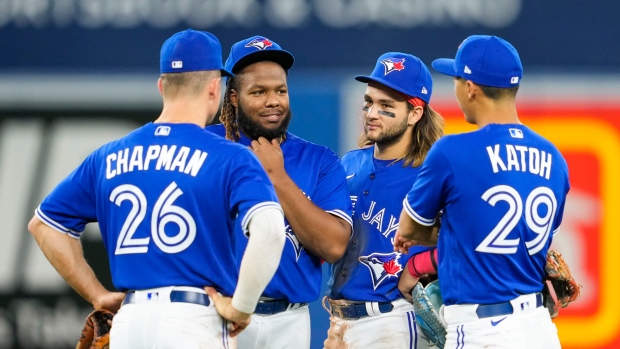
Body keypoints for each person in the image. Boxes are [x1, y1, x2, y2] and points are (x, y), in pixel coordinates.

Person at [27, 29, 286, 349]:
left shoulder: (109, 156)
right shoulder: (229, 156)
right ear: (214, 88)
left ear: (162, 86)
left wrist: (98, 295)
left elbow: (44, 226)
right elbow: (271, 231)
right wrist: (241, 307)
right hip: (192, 321)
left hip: (130, 322)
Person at [394, 35, 568, 349]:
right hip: (539, 330)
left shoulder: (452, 151)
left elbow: (408, 229)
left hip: (483, 330)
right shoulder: (554, 158)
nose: (456, 88)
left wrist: (438, 238)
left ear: (471, 87)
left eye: (457, 79)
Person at [207, 36, 353, 349]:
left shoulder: (318, 160)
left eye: (280, 91)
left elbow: (333, 245)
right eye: (258, 92)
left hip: (289, 322)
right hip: (217, 316)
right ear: (233, 97)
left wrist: (277, 177)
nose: (273, 101)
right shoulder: (207, 148)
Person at [323, 52, 444, 349]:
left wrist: (420, 266)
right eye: (369, 103)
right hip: (339, 320)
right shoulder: (349, 163)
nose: (372, 113)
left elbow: (469, 244)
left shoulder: (430, 174)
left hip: (394, 323)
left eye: (386, 105)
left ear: (415, 114)